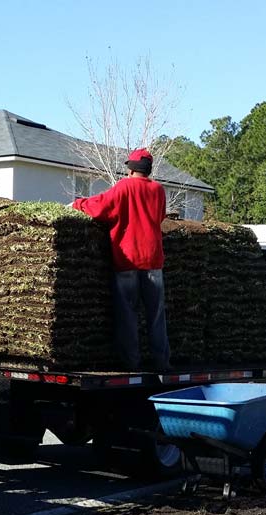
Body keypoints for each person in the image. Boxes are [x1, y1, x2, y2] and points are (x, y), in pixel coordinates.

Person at [71, 148, 170, 371]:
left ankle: (131, 364)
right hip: (153, 260)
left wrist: (79, 204)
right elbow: (161, 216)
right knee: (156, 315)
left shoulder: (125, 187)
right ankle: (162, 362)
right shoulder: (158, 190)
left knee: (128, 314)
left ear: (132, 168)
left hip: (128, 259)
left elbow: (102, 207)